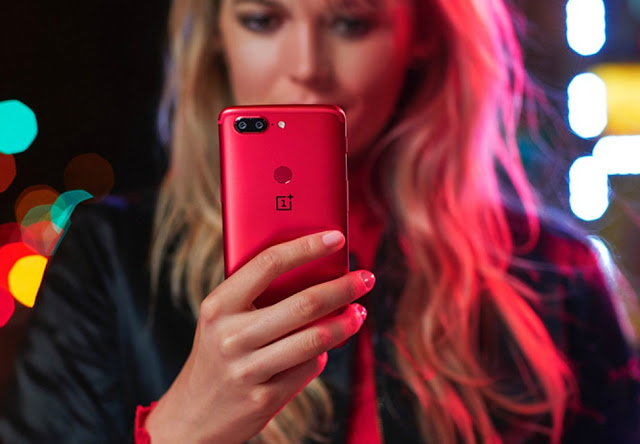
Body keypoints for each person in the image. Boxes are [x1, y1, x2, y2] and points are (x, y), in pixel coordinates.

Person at [1, 0, 639, 443]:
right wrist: (181, 429)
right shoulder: (108, 258)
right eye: (262, 19)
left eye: (350, 22)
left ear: (421, 37)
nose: (307, 64)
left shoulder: (555, 272)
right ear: (217, 36)